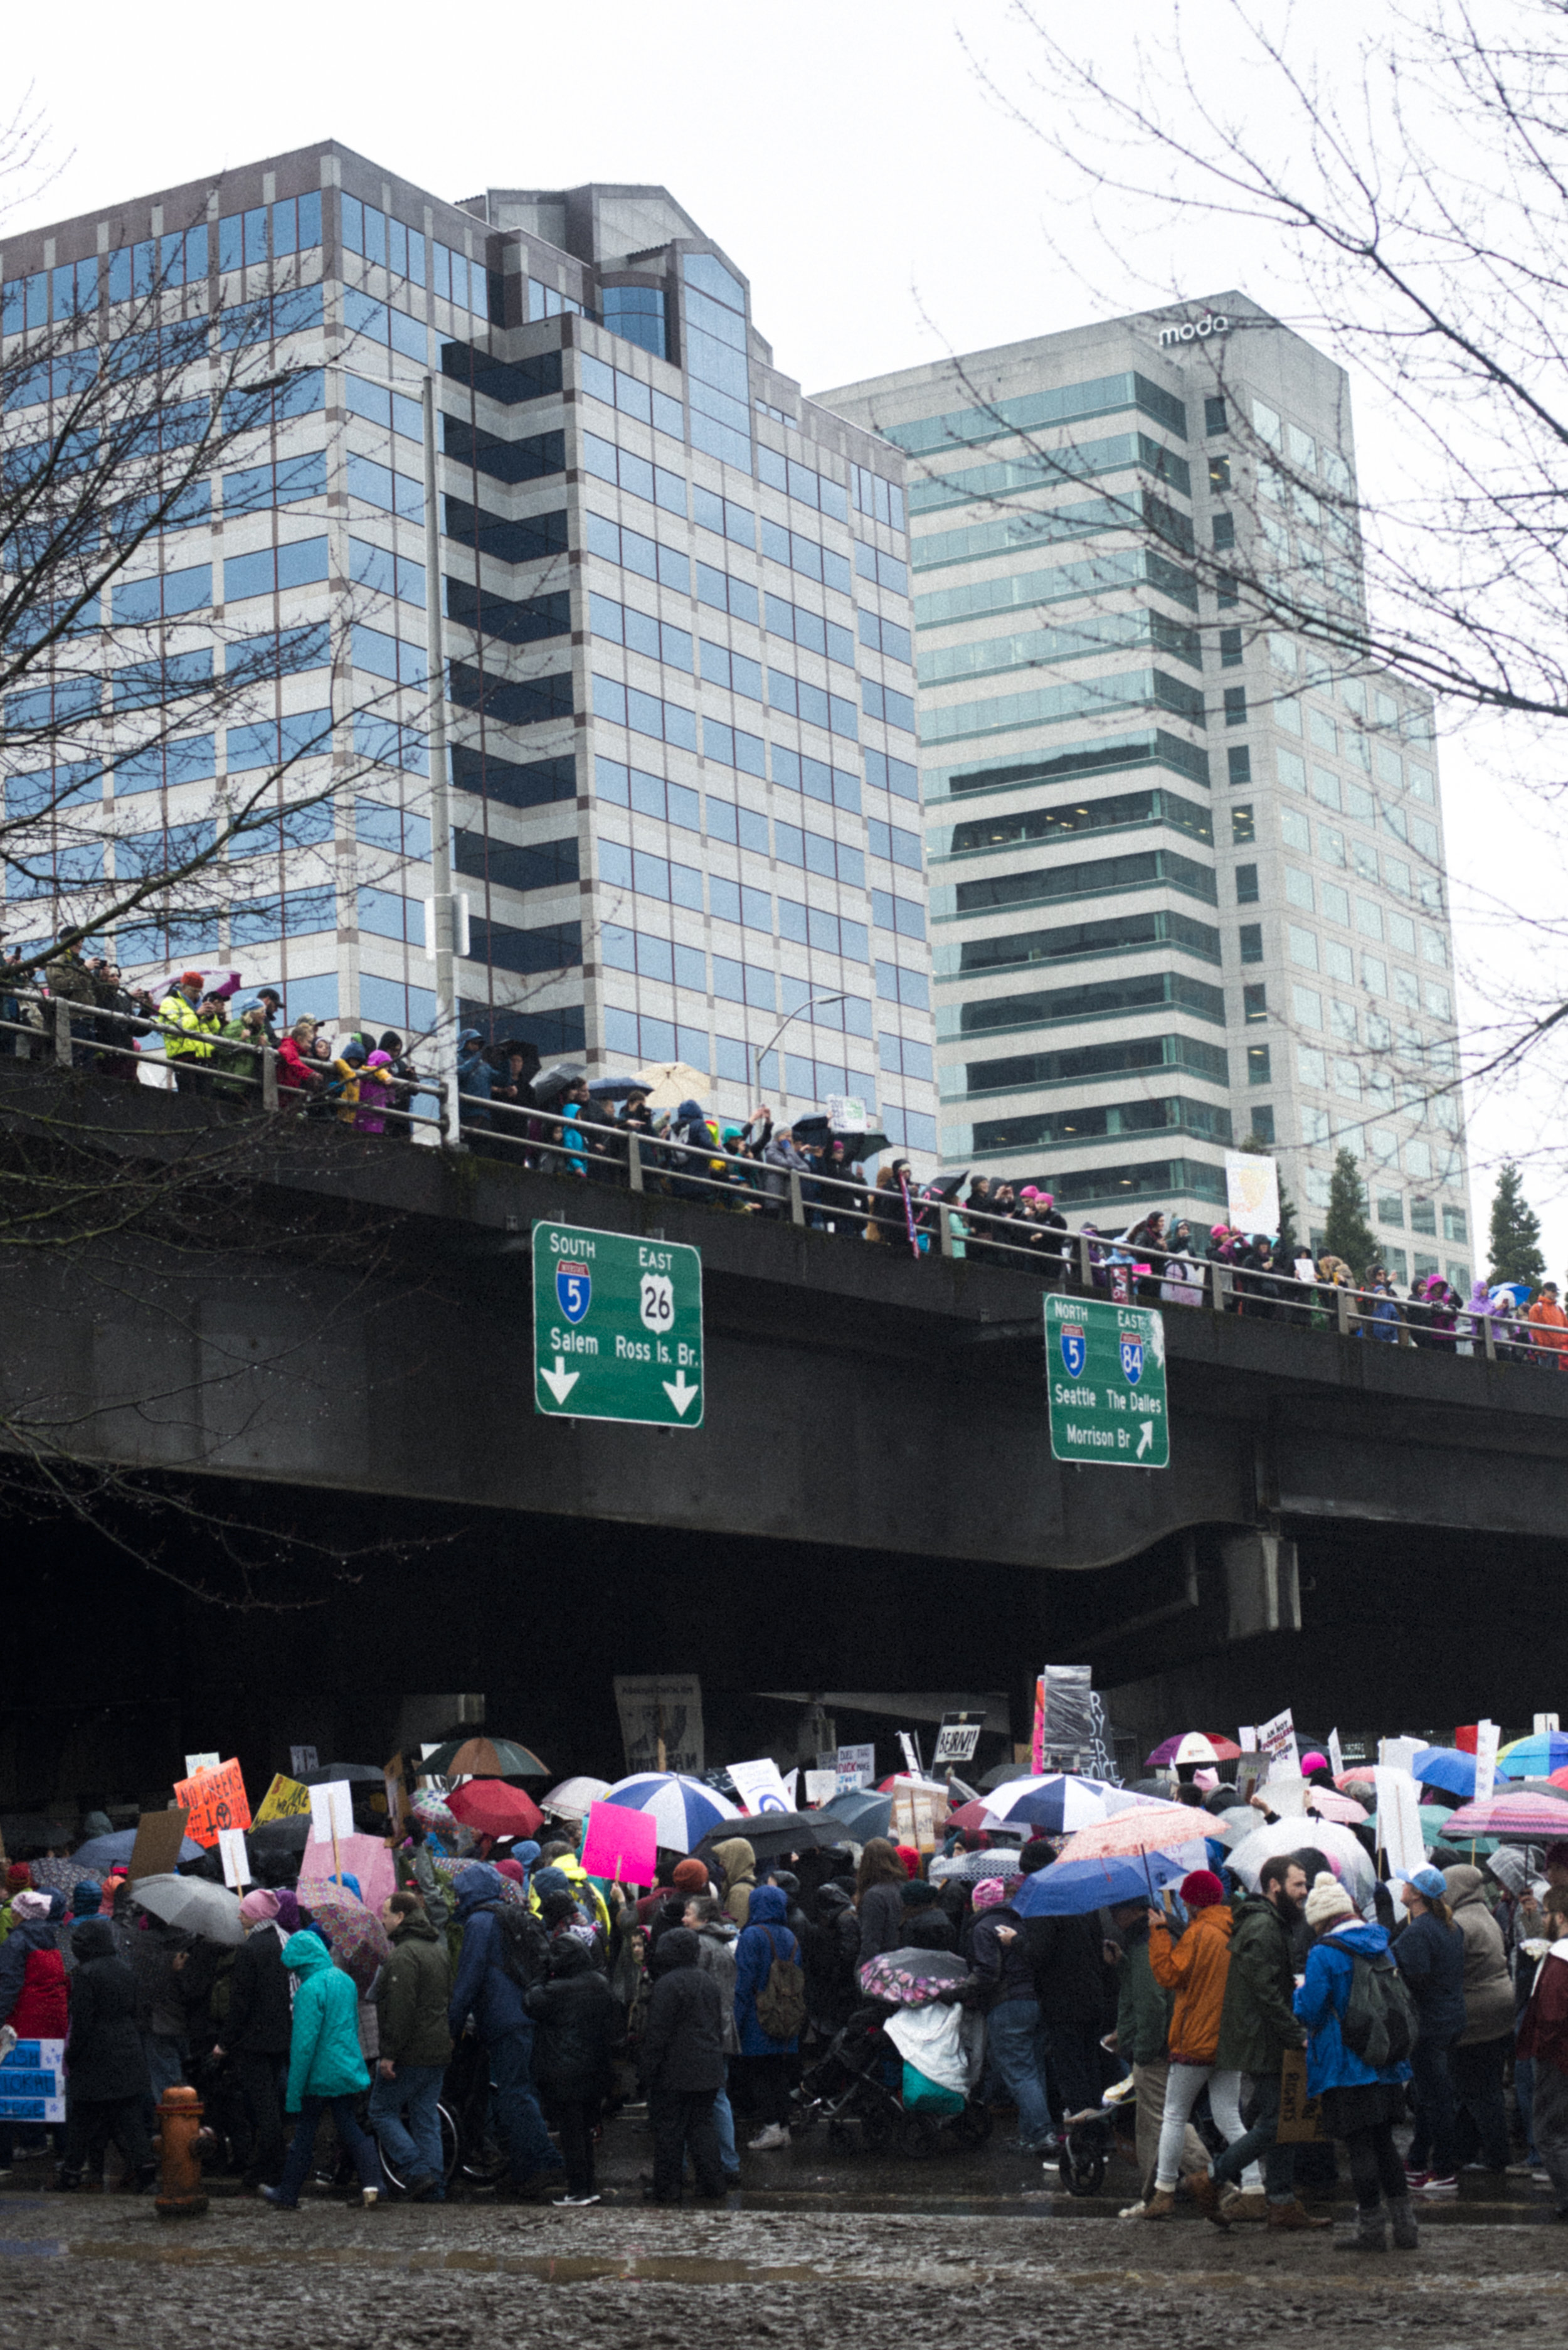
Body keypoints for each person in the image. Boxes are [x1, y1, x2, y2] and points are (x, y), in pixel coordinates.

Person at [1295, 1869, 1417, 2250]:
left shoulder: (1324, 1953)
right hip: (1385, 2059)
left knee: (1359, 2146)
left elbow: (1311, 2011)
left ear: (1322, 1920)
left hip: (1345, 2063)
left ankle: (1370, 2232)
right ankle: (1406, 2228)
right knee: (1384, 2145)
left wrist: (1299, 1993)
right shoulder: (1381, 1942)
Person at [1208, 1855, 1325, 2229]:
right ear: (1275, 1886)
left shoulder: (1273, 1923)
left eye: (1305, 1885)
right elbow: (1264, 1993)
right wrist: (1295, 2034)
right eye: (1298, 1885)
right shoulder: (1262, 1925)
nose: (1304, 1892)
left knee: (1285, 2121)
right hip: (1265, 2040)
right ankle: (1210, 2177)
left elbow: (1269, 1984)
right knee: (1276, 2123)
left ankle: (1282, 2204)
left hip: (1269, 2036)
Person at [447, 1861, 564, 2201]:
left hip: (504, 2019)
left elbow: (469, 1979)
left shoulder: (480, 1922)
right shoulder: (506, 1914)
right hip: (525, 2014)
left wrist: (452, 2027)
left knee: (514, 2095)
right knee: (518, 2093)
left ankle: (544, 2163)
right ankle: (524, 2169)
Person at [1140, 1872, 1244, 2221]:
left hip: (1196, 2040)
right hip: (1229, 2040)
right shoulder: (1232, 1928)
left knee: (1173, 2114)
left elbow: (1170, 1976)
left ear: (1193, 1901)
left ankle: (1164, 2191)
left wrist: (1158, 1933)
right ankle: (1257, 2187)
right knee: (1230, 2117)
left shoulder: (1199, 1933)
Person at [262, 1928, 381, 2210]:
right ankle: (375, 2184)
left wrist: (294, 2091)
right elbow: (351, 2026)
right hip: (346, 2068)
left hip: (318, 2074)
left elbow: (304, 2045)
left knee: (305, 2133)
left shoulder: (309, 1990)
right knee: (351, 2127)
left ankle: (288, 2193)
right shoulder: (345, 1981)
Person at [1108, 1898, 1211, 2216]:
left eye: (1117, 1911)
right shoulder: (1164, 1939)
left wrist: (1142, 2050)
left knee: (1167, 2120)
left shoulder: (1145, 1948)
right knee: (1153, 2123)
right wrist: (1123, 1963)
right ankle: (1154, 2195)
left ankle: (1216, 2179)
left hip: (1157, 2051)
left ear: (1133, 1911)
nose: (1115, 1918)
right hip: (1176, 2043)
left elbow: (1153, 2003)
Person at [54, 1918, 155, 2193]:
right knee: (130, 2117)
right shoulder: (126, 1970)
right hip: (127, 2049)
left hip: (95, 2056)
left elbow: (82, 2022)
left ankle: (71, 2173)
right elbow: (137, 2010)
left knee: (82, 2119)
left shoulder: (84, 1975)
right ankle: (146, 2173)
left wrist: (72, 2055)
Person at [524, 1934, 622, 2207]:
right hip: (594, 2069)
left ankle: (578, 2190)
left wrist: (542, 1974)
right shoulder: (600, 1984)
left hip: (563, 2070)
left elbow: (530, 2002)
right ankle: (588, 2186)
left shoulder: (554, 1991)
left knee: (571, 2134)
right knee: (585, 2132)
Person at [369, 1891, 452, 2201]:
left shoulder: (403, 1956)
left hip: (411, 2052)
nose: (383, 1919)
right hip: (437, 2049)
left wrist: (389, 2054)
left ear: (401, 1917)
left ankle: (417, 2171)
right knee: (425, 2116)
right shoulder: (437, 1950)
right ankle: (435, 2188)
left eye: (387, 1914)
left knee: (381, 2111)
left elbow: (400, 2010)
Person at [212, 1888, 292, 2189]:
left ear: (256, 1915)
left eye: (244, 1911)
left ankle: (269, 2166)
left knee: (263, 2106)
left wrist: (224, 2042)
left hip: (255, 2041)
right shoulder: (283, 1941)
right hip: (281, 2037)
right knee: (273, 2101)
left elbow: (240, 2003)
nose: (239, 1915)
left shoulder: (250, 1950)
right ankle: (271, 2164)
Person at [1391, 1866, 1466, 2193]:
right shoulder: (1450, 1927)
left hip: (1428, 2026)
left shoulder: (1419, 1933)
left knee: (1435, 2099)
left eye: (1407, 1883)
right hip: (1451, 2020)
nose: (1402, 1887)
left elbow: (1414, 1981)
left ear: (1417, 1893)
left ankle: (1444, 2170)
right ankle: (1419, 2160)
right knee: (1428, 2096)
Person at [640, 1923, 727, 2203]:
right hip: (707, 2066)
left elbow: (658, 2034)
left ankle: (668, 2187)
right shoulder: (707, 1981)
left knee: (670, 2132)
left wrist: (648, 2071)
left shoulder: (667, 1985)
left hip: (675, 2070)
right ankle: (712, 2183)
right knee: (703, 2127)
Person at [970, 1879, 1054, 2157]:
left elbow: (987, 1973)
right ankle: (1033, 2133)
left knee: (1019, 2073)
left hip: (1007, 2005)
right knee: (1034, 2069)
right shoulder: (1023, 1922)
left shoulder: (983, 1928)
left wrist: (961, 1988)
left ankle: (1042, 2134)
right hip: (1035, 2002)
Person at [1443, 1862, 1515, 2178]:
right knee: (1485, 2086)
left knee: (1478, 2090)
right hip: (1500, 2009)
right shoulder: (1485, 1914)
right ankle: (1466, 2149)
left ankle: (1497, 2155)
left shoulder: (1460, 1923)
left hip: (1476, 2017)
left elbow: (1450, 1972)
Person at [733, 1882, 800, 2149]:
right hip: (786, 2016)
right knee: (779, 2075)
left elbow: (744, 1982)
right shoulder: (790, 1936)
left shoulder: (752, 1936)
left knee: (759, 2074)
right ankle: (783, 2127)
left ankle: (770, 2127)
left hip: (756, 2018)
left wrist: (735, 2023)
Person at [1516, 1882, 1568, 2218]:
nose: (1545, 1917)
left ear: (1561, 1916)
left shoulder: (1560, 1959)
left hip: (1557, 2056)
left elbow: (1552, 2014)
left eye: (1548, 1913)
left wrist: (1540, 2046)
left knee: (1550, 2133)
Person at [684, 1892, 743, 2189]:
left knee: (707, 2098)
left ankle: (722, 2162)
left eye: (689, 1914)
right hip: (724, 2027)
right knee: (719, 2097)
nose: (684, 1918)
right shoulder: (723, 1944)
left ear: (704, 1919)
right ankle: (727, 2161)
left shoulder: (701, 1947)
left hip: (707, 2030)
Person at [156, 972, 220, 1094]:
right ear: (183, 987)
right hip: (184, 1056)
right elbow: (175, 1027)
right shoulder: (170, 1002)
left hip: (205, 1057)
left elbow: (215, 1030)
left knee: (206, 1098)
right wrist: (197, 1015)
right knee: (189, 1096)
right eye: (194, 991)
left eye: (199, 992)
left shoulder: (200, 1004)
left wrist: (211, 1016)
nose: (196, 995)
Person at [854, 1839, 909, 1962]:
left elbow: (871, 1940)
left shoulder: (874, 1896)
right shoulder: (903, 1887)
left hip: (884, 1961)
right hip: (903, 1958)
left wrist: (861, 1970)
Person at [712, 1836, 758, 1930]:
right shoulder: (749, 1884)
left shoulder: (739, 1891)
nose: (720, 1863)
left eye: (725, 1859)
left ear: (735, 1860)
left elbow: (736, 1929)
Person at [1528, 1281, 1568, 1365]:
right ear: (1545, 1291)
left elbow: (1566, 1328)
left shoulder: (1558, 1309)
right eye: (1553, 1291)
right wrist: (1541, 1349)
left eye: (1556, 1292)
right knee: (1546, 1376)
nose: (1555, 1294)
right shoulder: (1537, 1308)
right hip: (1546, 1350)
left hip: (1559, 1350)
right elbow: (1535, 1331)